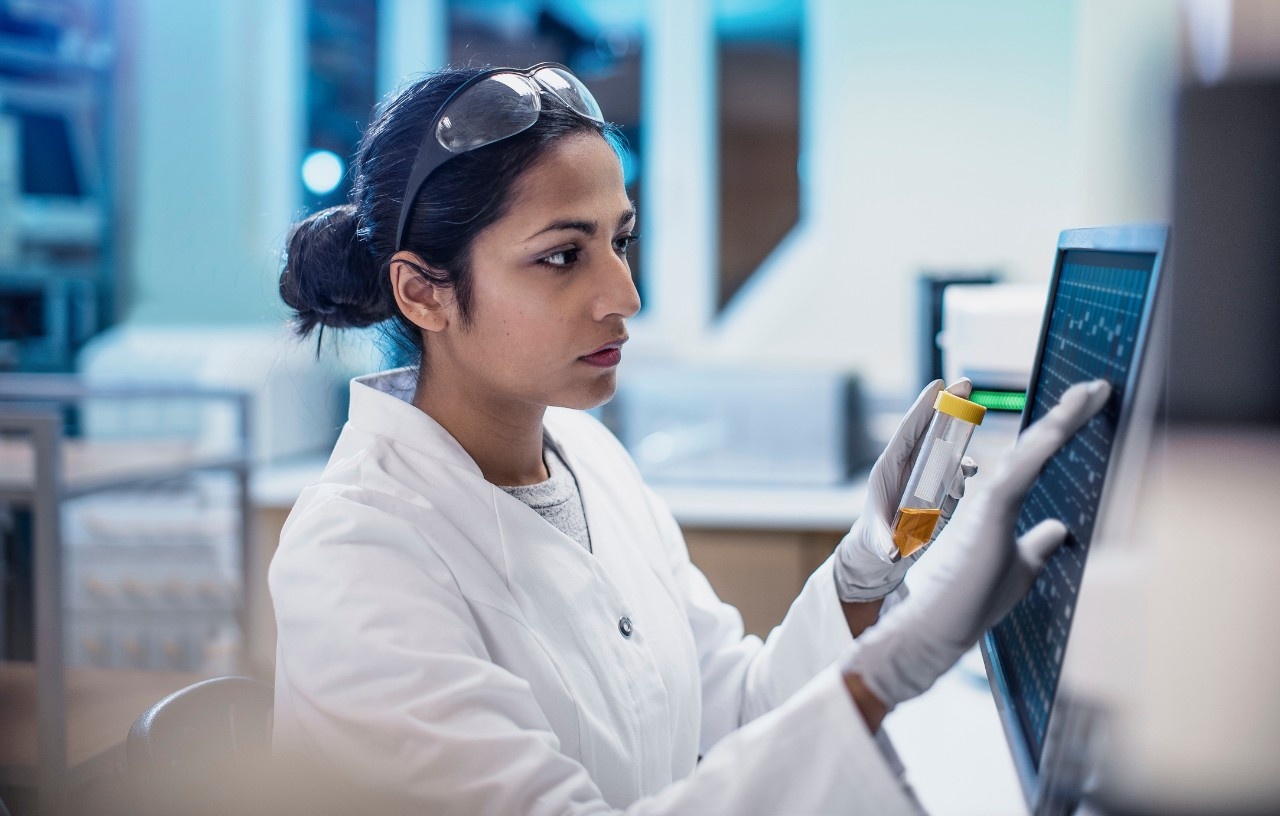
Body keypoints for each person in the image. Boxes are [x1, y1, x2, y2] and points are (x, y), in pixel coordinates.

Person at [271, 63, 1109, 815]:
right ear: (422, 293)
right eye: (563, 257)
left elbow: (740, 712)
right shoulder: (357, 552)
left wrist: (869, 568)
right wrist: (887, 674)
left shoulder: (589, 458)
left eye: (621, 240)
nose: (624, 294)